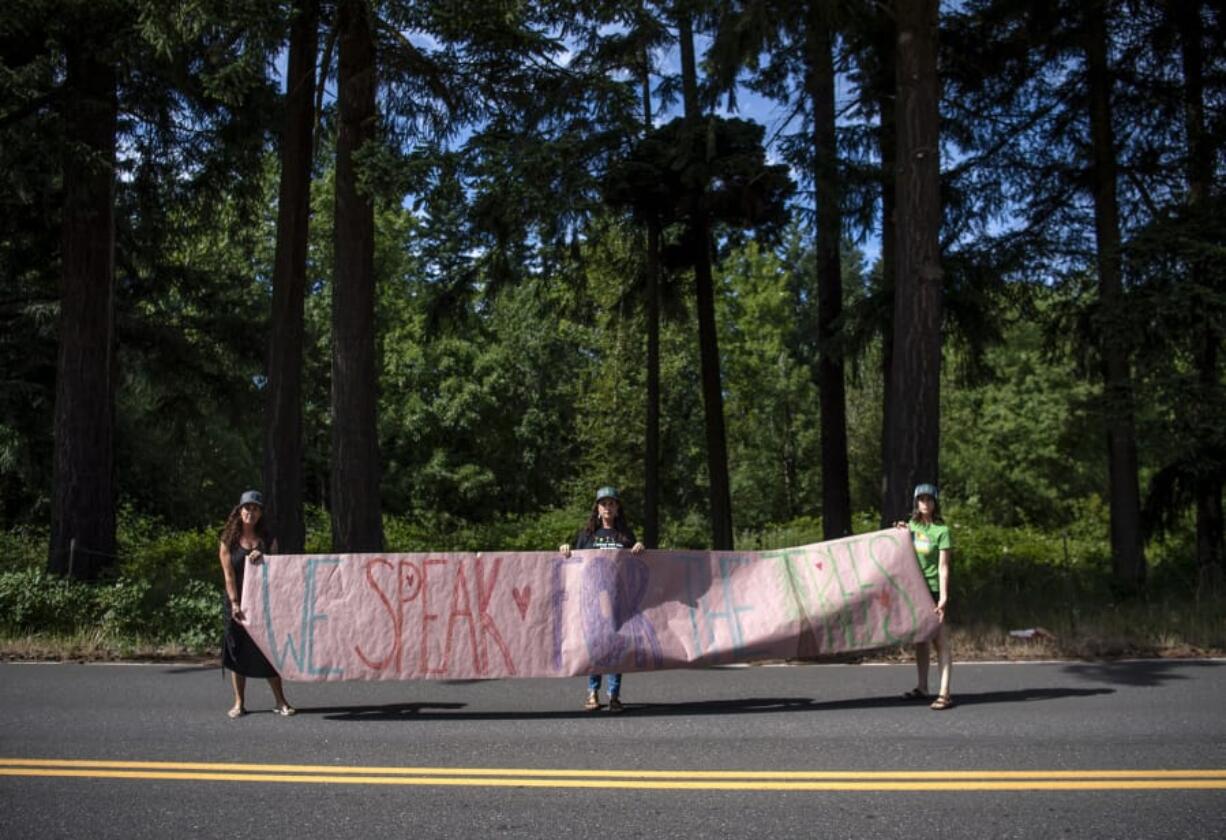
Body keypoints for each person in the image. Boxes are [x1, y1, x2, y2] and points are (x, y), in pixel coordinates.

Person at [559, 485, 645, 713]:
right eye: (603, 503)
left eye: (612, 503)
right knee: (594, 646)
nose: (608, 507)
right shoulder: (587, 536)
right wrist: (566, 550)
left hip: (619, 600)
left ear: (617, 509)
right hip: (592, 602)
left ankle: (614, 695)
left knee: (617, 645)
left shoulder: (625, 536)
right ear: (597, 509)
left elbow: (637, 564)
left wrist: (639, 548)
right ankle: (592, 693)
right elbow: (573, 563)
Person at [219, 490, 295, 719]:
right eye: (247, 508)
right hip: (236, 603)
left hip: (263, 604)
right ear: (239, 511)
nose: (250, 512)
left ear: (261, 513)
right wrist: (234, 603)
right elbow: (228, 575)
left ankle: (281, 701)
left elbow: (277, 573)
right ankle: (239, 703)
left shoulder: (268, 539)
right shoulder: (228, 541)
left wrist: (263, 558)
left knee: (268, 652)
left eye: (255, 509)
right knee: (237, 652)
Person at [896, 483, 954, 710]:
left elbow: (943, 568)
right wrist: (898, 531)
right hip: (914, 589)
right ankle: (922, 687)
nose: (925, 503)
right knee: (920, 640)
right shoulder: (910, 527)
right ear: (916, 502)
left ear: (935, 503)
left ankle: (945, 693)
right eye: (921, 499)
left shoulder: (942, 531)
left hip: (932, 590)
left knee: (939, 641)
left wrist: (943, 597)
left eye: (929, 499)